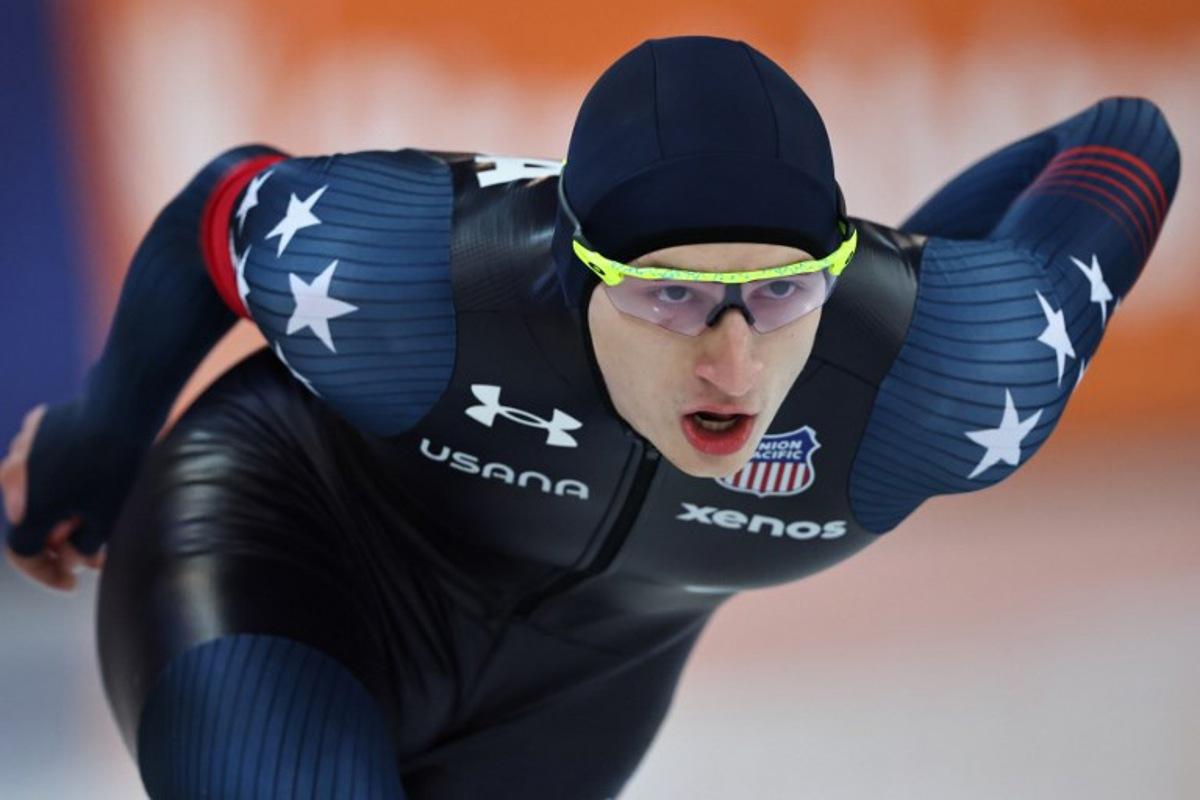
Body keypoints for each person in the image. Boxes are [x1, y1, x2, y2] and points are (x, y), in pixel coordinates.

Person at [0, 35, 1180, 800]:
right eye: (669, 296)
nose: (734, 360)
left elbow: (1125, 133)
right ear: (576, 273)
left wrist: (917, 268)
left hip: (583, 677)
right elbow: (226, 198)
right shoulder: (418, 274)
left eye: (779, 293)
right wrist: (106, 432)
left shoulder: (955, 368)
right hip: (297, 558)